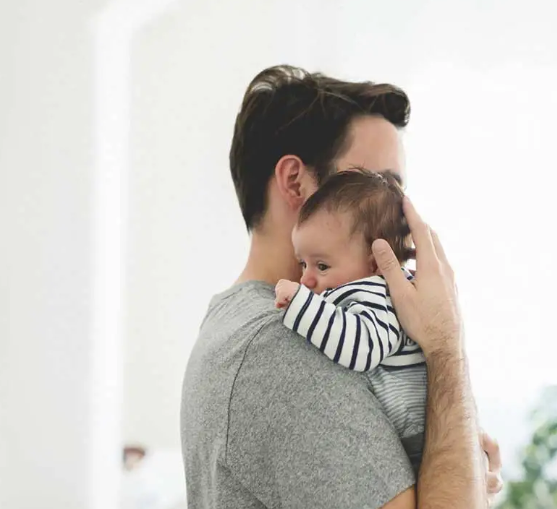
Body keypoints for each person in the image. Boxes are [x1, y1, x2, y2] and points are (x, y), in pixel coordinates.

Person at [180, 65, 502, 508]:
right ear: (295, 182)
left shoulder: (232, 322)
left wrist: (456, 456)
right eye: (378, 184)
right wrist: (447, 344)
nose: (399, 217)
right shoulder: (286, 344)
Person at [274, 169, 426, 472]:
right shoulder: (359, 288)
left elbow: (363, 349)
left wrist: (300, 303)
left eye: (321, 265)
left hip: (417, 437)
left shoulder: (376, 291)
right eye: (303, 264)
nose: (306, 279)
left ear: (374, 263)